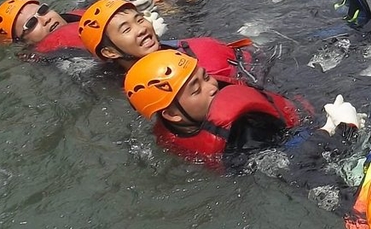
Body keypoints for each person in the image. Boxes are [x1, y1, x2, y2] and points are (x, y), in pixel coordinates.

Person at [124, 49, 358, 170]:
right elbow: (298, 166)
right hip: (305, 138)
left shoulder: (168, 132)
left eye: (205, 77)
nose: (212, 87)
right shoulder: (244, 135)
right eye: (196, 90)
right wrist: (341, 129)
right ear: (172, 113)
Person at [78, 0, 258, 84]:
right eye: (126, 29)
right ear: (110, 52)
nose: (141, 29)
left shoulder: (186, 51)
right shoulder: (118, 86)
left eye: (140, 19)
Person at [0, 0, 84, 55]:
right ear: (22, 43)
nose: (45, 20)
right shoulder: (60, 57)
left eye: (42, 10)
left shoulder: (79, 15)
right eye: (31, 23)